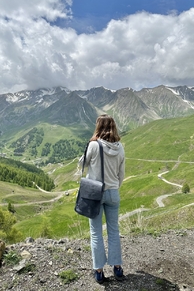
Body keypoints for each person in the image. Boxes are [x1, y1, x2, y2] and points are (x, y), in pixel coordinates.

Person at [80, 114, 125, 284]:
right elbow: (122, 174)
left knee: (96, 233)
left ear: (98, 128)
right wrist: (114, 187)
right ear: (113, 127)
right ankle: (118, 268)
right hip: (113, 192)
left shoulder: (93, 145)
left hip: (95, 194)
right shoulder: (120, 147)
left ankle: (99, 271)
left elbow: (82, 164)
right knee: (114, 231)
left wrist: (89, 145)